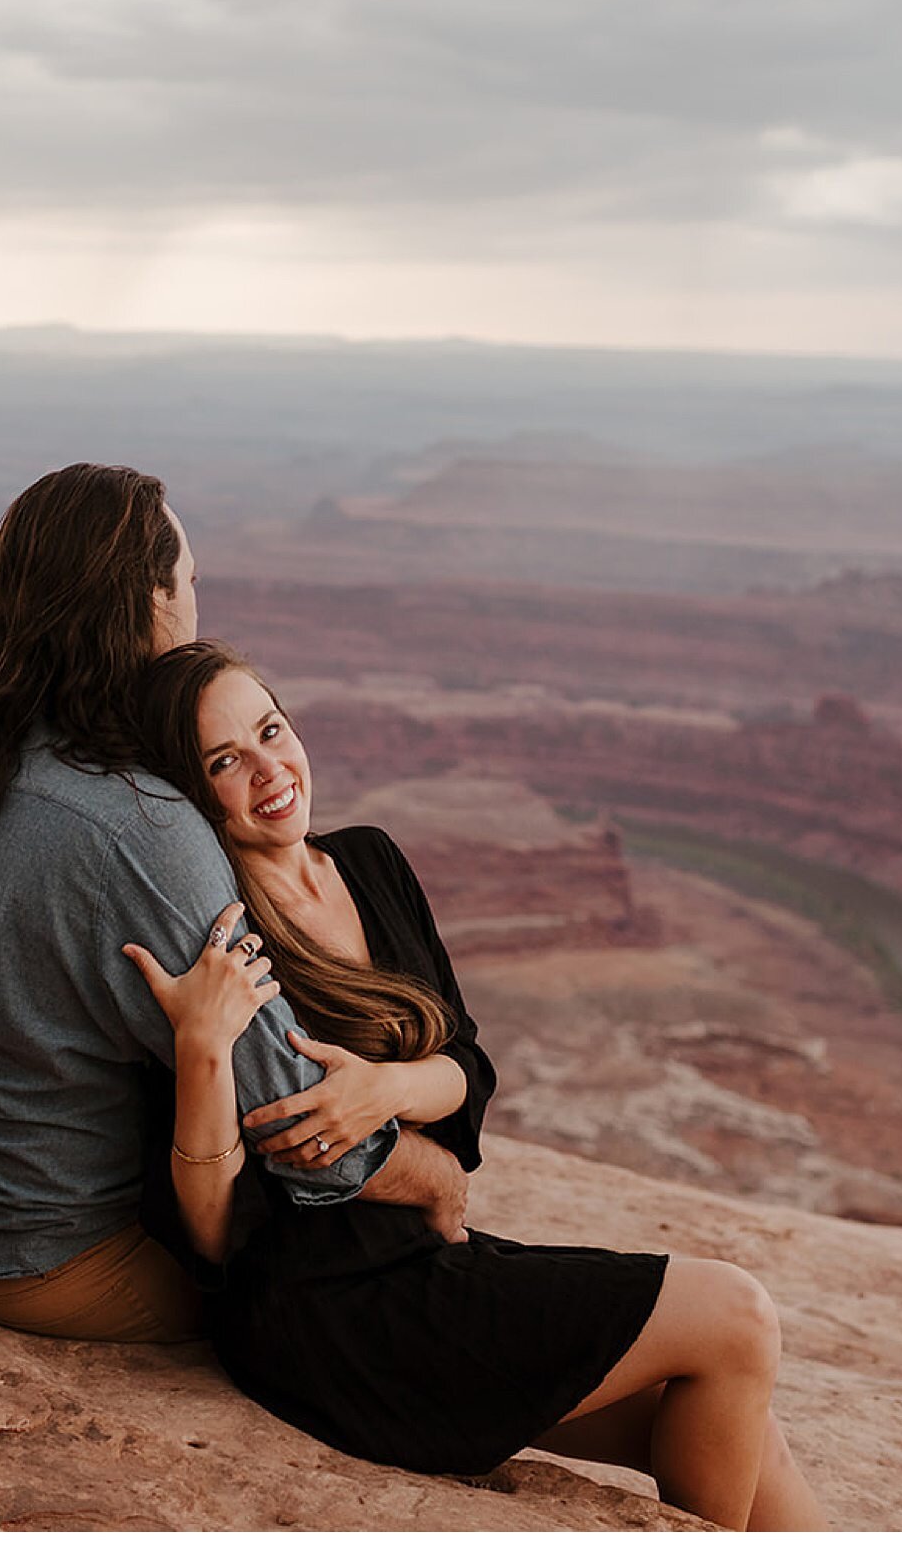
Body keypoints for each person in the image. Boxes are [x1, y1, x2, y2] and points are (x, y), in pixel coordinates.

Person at [123, 639, 829, 1531]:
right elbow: (223, 1229)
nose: (270, 770)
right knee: (734, 1318)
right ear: (192, 798)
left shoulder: (370, 862)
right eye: (226, 761)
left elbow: (469, 1071)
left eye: (272, 730)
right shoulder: (221, 944)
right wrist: (202, 1045)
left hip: (424, 1260)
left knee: (733, 1419)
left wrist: (383, 1090)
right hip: (332, 1318)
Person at [0, 464, 472, 1344]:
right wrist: (436, 1180)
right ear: (149, 602)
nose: (196, 599)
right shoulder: (141, 826)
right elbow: (293, 1121)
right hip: (50, 1258)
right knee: (370, 1319)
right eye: (188, 580)